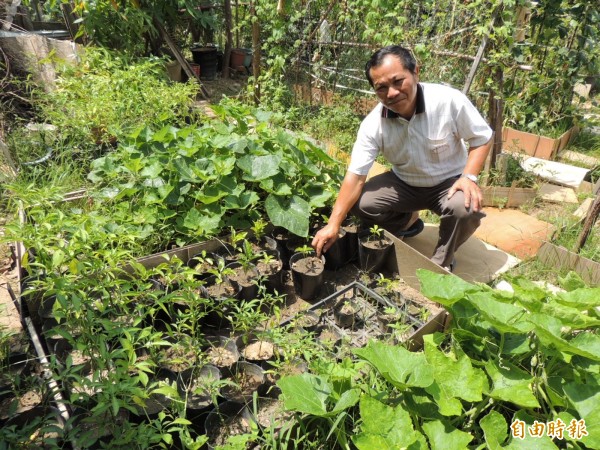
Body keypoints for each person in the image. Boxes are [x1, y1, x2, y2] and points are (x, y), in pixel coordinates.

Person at [311, 45, 493, 271]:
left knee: (465, 208)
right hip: (404, 183)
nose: (392, 93)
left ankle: (441, 261)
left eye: (398, 81)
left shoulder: (448, 101)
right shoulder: (373, 124)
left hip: (450, 183)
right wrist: (333, 224)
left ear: (416, 72)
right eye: (382, 88)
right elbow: (355, 176)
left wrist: (468, 177)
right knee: (361, 203)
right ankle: (408, 222)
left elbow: (482, 137)